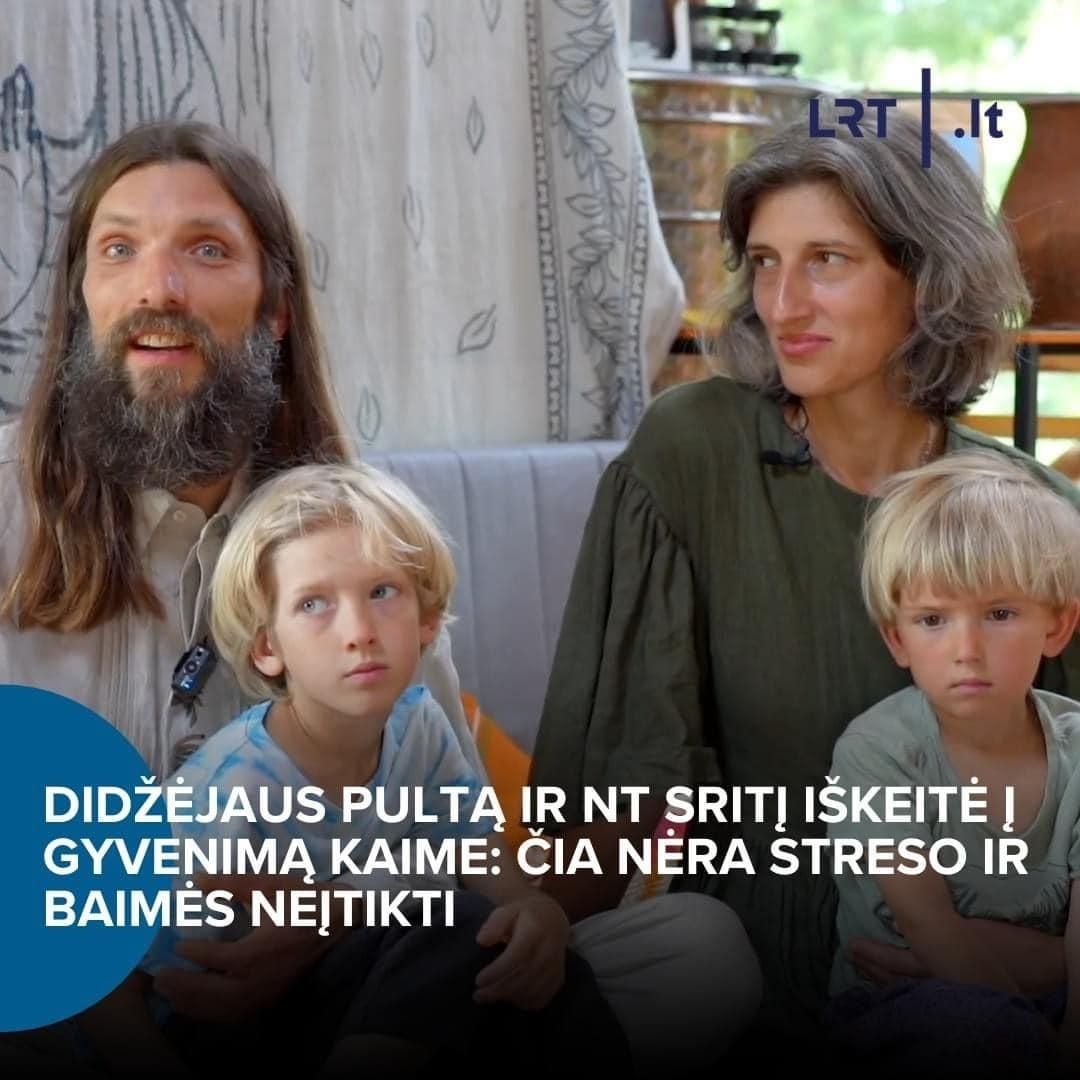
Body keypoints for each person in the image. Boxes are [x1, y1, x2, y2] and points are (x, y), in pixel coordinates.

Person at [0, 119, 760, 1074]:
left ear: (276, 308)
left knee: (695, 948)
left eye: (207, 249)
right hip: (75, 1000)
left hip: (345, 987)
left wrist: (347, 917)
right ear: (82, 298)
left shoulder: (354, 534)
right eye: (119, 250)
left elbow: (447, 840)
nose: (159, 288)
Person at [527, 105, 1080, 1050]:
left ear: (928, 277)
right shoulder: (693, 451)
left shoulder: (1034, 514)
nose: (783, 305)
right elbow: (622, 784)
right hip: (744, 980)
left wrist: (1023, 969)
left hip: (998, 992)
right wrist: (532, 941)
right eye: (765, 262)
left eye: (827, 260)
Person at [81, 461, 628, 1075]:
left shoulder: (421, 727)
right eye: (314, 603)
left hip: (347, 986)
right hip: (214, 1024)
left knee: (528, 958)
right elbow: (109, 979)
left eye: (382, 592)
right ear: (268, 647)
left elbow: (479, 858)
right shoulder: (231, 790)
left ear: (426, 619)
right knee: (452, 924)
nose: (360, 631)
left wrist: (538, 911)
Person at [824, 452, 1080, 1075]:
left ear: (1058, 624)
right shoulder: (877, 751)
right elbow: (929, 928)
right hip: (902, 1002)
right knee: (979, 1032)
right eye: (933, 620)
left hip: (1054, 1003)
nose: (967, 649)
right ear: (897, 639)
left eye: (1000, 614)